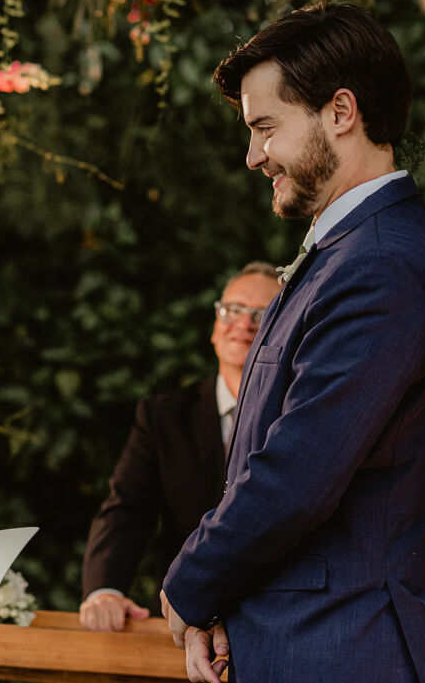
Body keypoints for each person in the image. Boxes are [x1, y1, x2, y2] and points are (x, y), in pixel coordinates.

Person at [159, 4, 425, 683]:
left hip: (347, 647)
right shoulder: (349, 252)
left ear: (340, 112)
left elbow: (297, 473)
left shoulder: (379, 265)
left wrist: (191, 584)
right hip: (308, 641)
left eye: (266, 127)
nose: (252, 155)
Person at [79, 264, 281, 632]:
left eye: (262, 314)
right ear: (215, 328)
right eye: (232, 310)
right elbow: (127, 509)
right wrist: (105, 590)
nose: (244, 324)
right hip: (186, 623)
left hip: (280, 621)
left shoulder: (299, 416)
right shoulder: (163, 416)